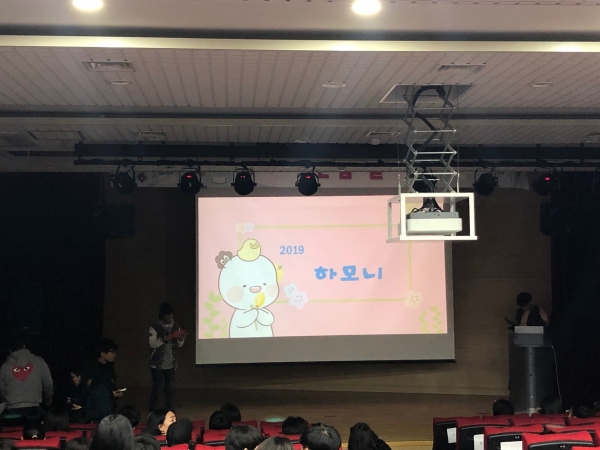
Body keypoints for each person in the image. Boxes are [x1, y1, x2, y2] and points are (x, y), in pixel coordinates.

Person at [0, 337, 53, 417]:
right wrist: (48, 402)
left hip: (13, 411)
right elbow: (48, 384)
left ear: (9, 350)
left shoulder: (5, 366)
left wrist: (6, 403)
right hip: (34, 410)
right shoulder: (39, 361)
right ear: (24, 346)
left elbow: (2, 389)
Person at [149, 303, 186, 412]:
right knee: (156, 388)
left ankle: (169, 410)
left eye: (171, 315)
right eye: (168, 315)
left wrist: (181, 338)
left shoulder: (176, 326)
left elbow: (179, 345)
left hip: (171, 363)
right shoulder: (154, 327)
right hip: (157, 364)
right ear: (162, 315)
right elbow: (152, 344)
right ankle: (152, 411)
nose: (170, 318)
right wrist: (167, 338)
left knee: (169, 389)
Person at [82, 338, 123, 420]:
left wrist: (116, 392)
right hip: (96, 408)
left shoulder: (110, 367)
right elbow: (91, 389)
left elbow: (111, 384)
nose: (114, 354)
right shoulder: (92, 368)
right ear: (103, 353)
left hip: (109, 405)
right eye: (112, 352)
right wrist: (111, 394)